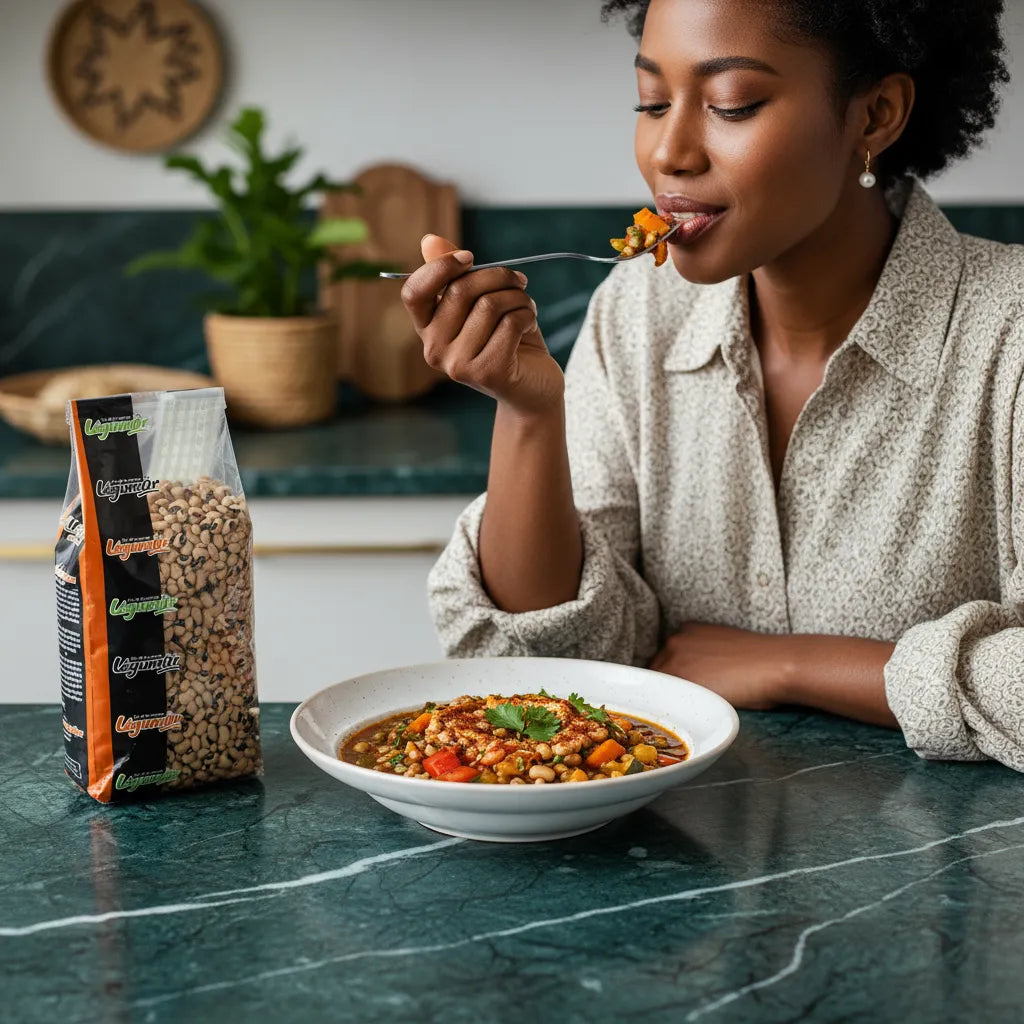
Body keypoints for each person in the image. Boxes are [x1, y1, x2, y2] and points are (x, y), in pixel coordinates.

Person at [400, 0, 1023, 771]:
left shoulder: (1011, 335)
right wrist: (528, 414)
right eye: (652, 101)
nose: (669, 150)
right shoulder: (636, 312)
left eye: (732, 105)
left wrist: (792, 665)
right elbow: (556, 663)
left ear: (875, 116)